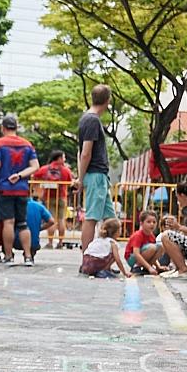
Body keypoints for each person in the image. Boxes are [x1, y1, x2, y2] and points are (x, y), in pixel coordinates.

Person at [0, 114, 39, 266]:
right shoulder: (27, 144)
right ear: (16, 128)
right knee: (22, 223)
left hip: (4, 188)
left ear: (2, 128)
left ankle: (9, 256)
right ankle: (28, 257)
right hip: (22, 188)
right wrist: (19, 175)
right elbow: (35, 166)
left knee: (8, 222)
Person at [77, 84, 114, 253]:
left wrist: (80, 176)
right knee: (91, 217)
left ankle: (105, 255)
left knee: (110, 219)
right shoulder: (92, 120)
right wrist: (80, 178)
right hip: (96, 174)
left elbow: (81, 153)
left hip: (97, 175)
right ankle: (88, 256)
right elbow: (86, 152)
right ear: (108, 100)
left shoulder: (86, 118)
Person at [13, 195, 54, 264]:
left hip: (15, 241)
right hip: (34, 243)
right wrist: (39, 228)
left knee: (7, 230)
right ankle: (30, 255)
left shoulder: (14, 206)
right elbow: (51, 221)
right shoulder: (39, 206)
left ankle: (8, 255)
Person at [125, 211, 166, 275]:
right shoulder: (138, 235)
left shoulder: (152, 236)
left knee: (161, 247)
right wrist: (150, 268)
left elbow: (154, 253)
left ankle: (146, 267)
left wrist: (158, 266)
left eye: (154, 222)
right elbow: (136, 253)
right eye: (148, 222)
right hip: (132, 258)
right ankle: (137, 266)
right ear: (141, 223)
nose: (152, 224)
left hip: (143, 255)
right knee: (152, 247)